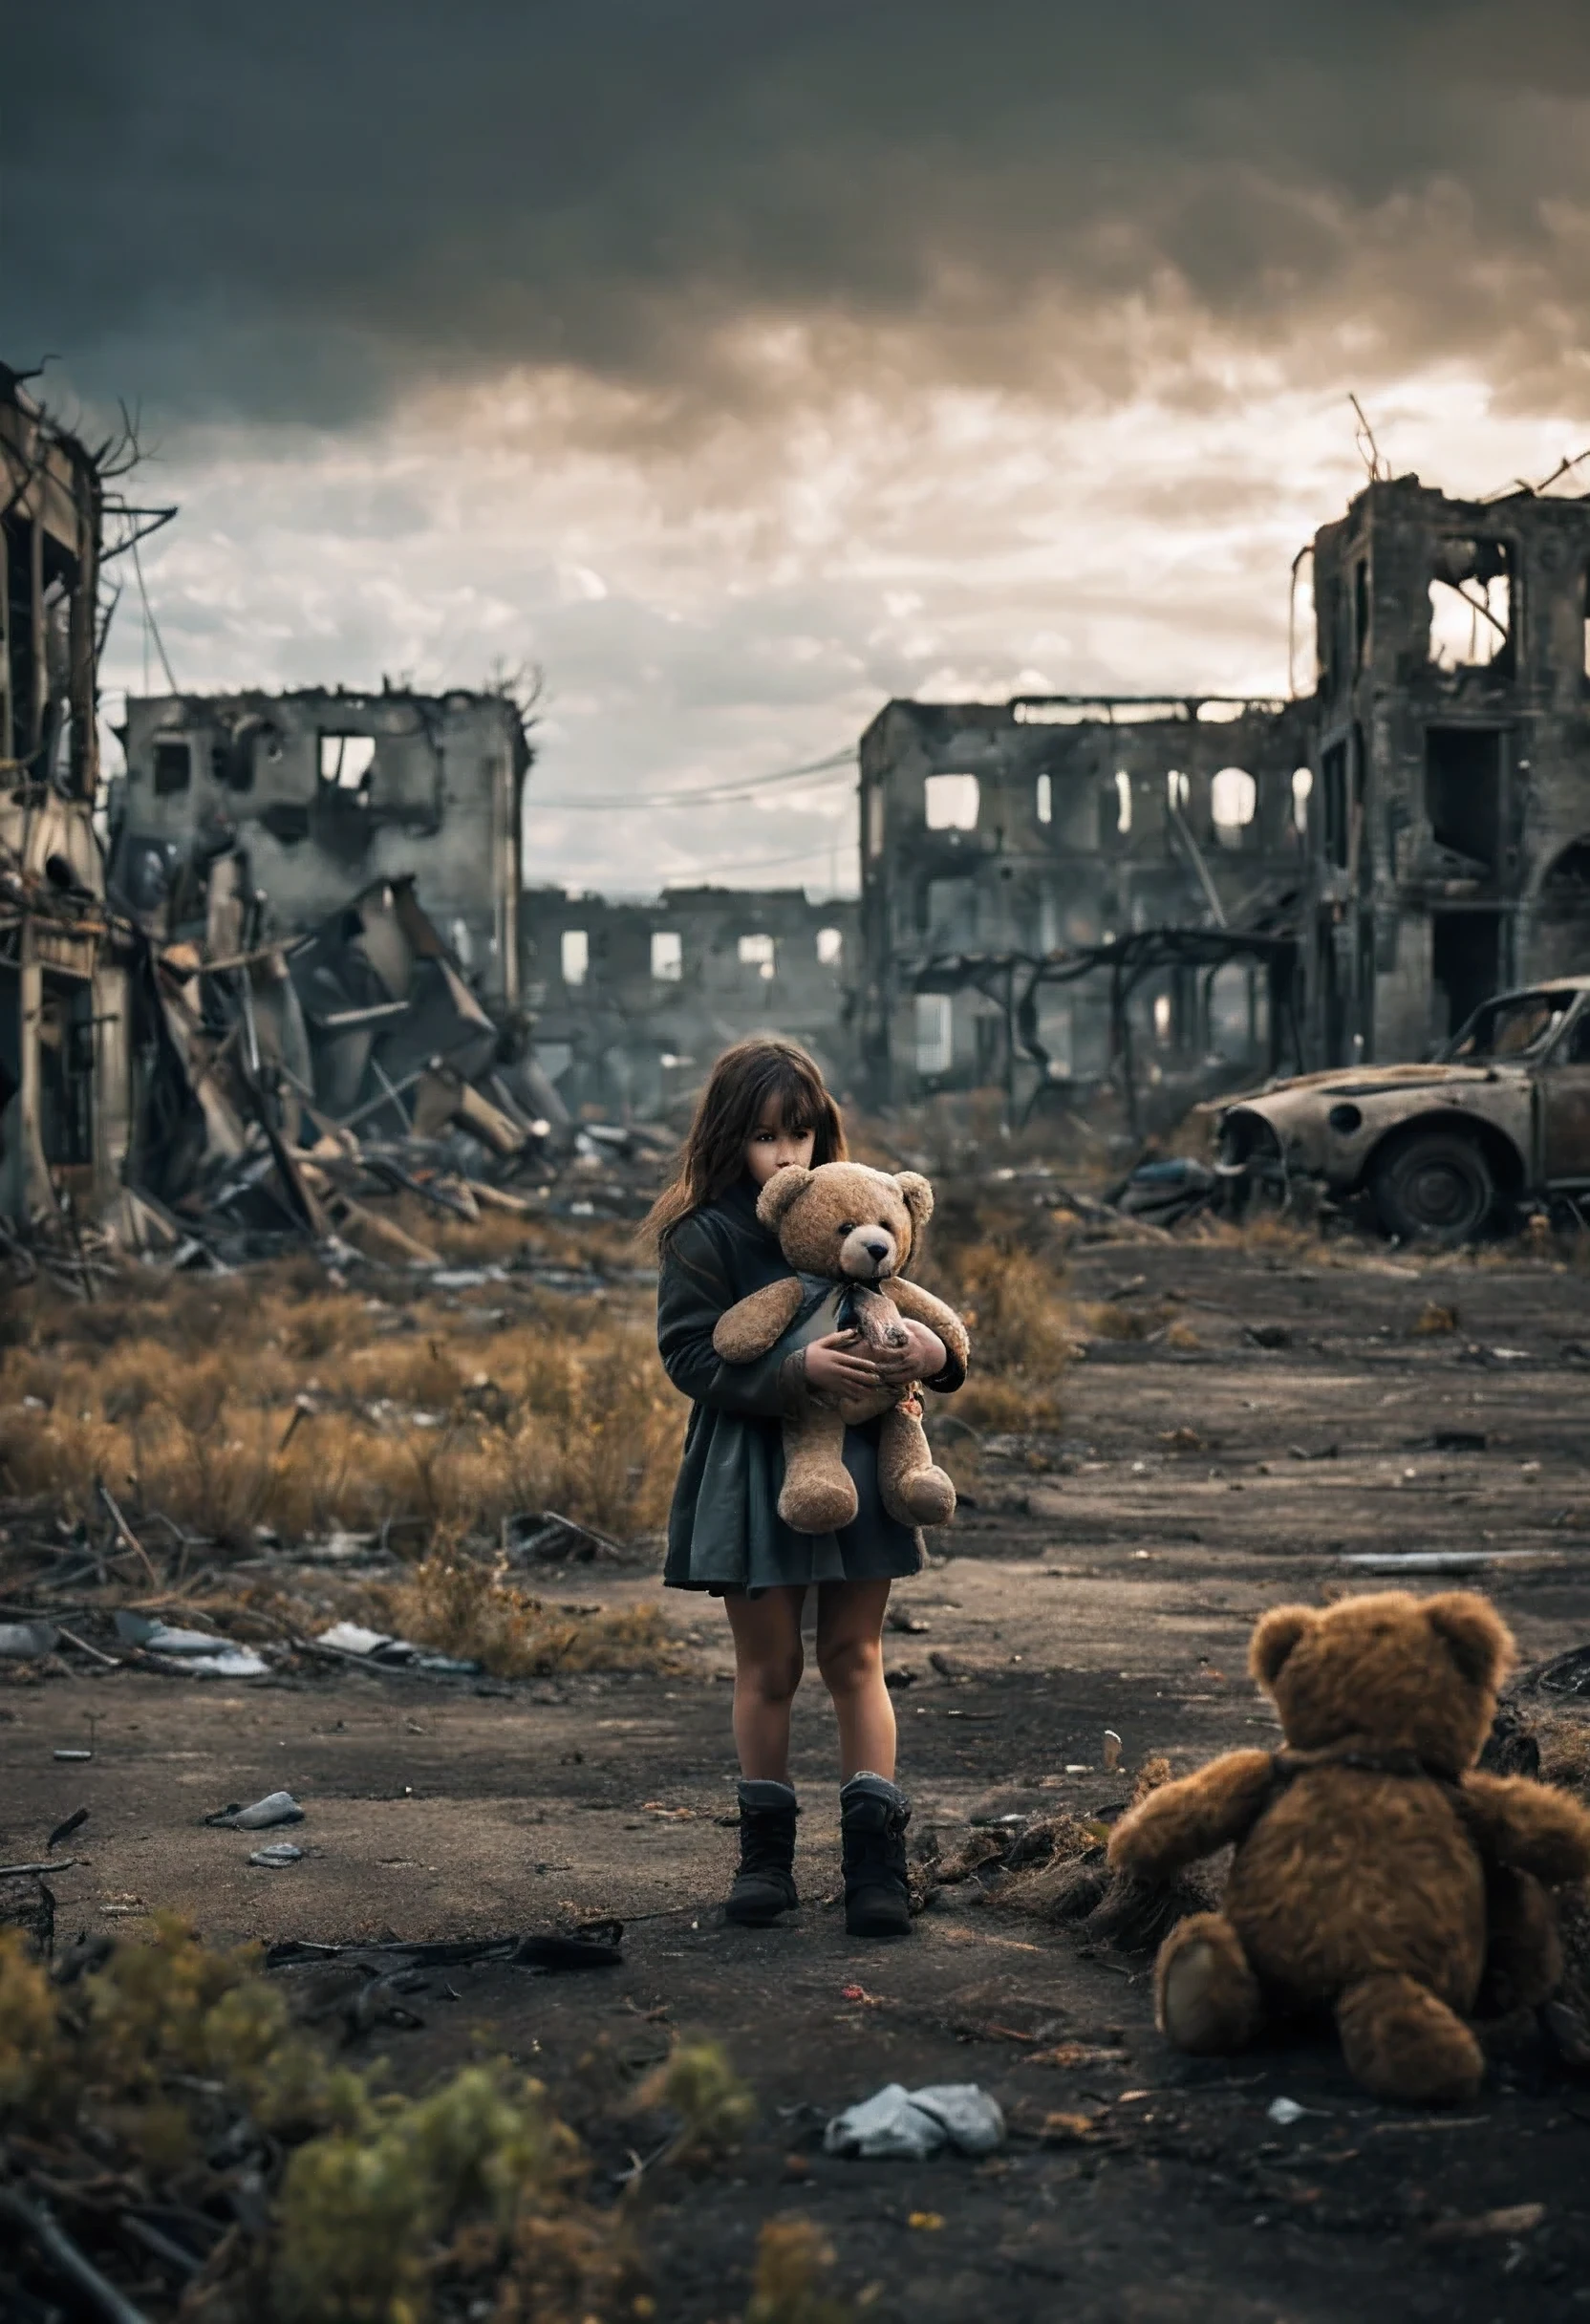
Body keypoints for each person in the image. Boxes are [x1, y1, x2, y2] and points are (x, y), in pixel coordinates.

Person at [645, 1036, 967, 1938]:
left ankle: (875, 1867)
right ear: (727, 1140)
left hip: (861, 1463)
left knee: (856, 1658)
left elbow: (918, 1314)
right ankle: (766, 1863)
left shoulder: (854, 1211)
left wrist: (936, 1358)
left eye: (801, 1135)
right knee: (772, 1665)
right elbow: (689, 1355)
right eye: (764, 1137)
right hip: (753, 1466)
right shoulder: (705, 1234)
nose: (787, 1156)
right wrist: (797, 1372)